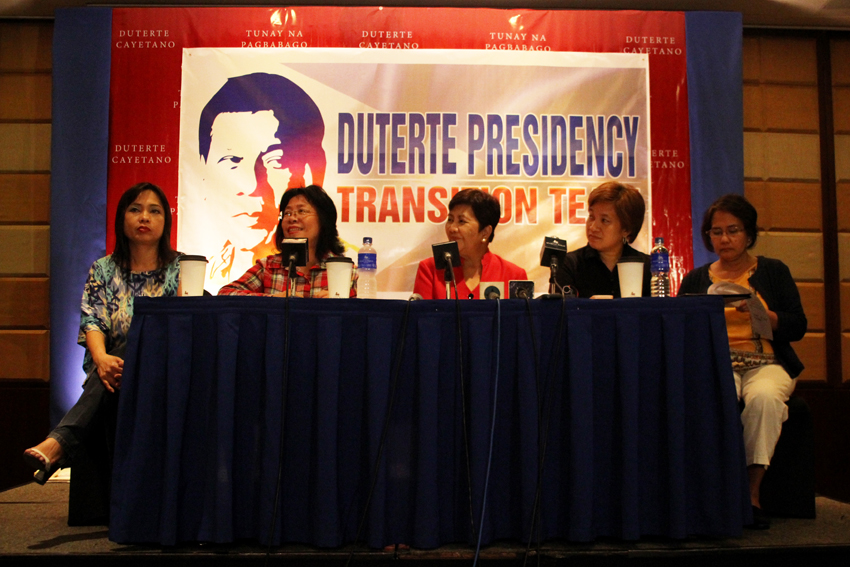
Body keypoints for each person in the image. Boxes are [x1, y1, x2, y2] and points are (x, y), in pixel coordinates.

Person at [23, 182, 181, 483]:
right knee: (118, 359)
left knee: (137, 341)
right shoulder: (104, 269)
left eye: (154, 211)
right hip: (114, 371)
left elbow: (181, 327)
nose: (144, 217)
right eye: (135, 209)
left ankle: (60, 443)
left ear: (166, 221)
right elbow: (93, 320)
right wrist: (101, 359)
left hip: (165, 369)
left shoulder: (180, 268)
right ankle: (63, 444)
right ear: (122, 218)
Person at [679, 194, 807, 530]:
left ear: (748, 234)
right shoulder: (695, 279)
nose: (724, 239)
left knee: (765, 399)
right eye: (716, 232)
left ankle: (751, 493)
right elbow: (682, 331)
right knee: (713, 399)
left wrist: (765, 316)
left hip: (767, 360)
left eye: (732, 230)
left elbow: (798, 326)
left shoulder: (773, 271)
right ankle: (711, 494)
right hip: (718, 362)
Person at [191, 72, 327, 288]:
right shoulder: (265, 267)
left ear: (310, 173)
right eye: (232, 160)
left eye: (274, 161)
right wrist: (274, 302)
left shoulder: (342, 270)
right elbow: (228, 296)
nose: (251, 187)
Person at [218, 185, 356, 297]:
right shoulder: (269, 267)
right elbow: (225, 294)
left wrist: (342, 302)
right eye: (288, 213)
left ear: (324, 220)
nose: (292, 218)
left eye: (301, 211)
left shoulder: (346, 271)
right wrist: (271, 299)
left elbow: (367, 311)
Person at [413, 188, 527, 299]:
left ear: (485, 232)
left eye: (461, 221)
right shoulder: (430, 269)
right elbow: (422, 317)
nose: (452, 228)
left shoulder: (514, 276)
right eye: (450, 219)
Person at [555, 181, 650, 298]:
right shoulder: (570, 264)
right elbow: (558, 313)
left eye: (605, 220)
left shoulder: (647, 267)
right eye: (591, 216)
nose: (593, 227)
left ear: (626, 229)